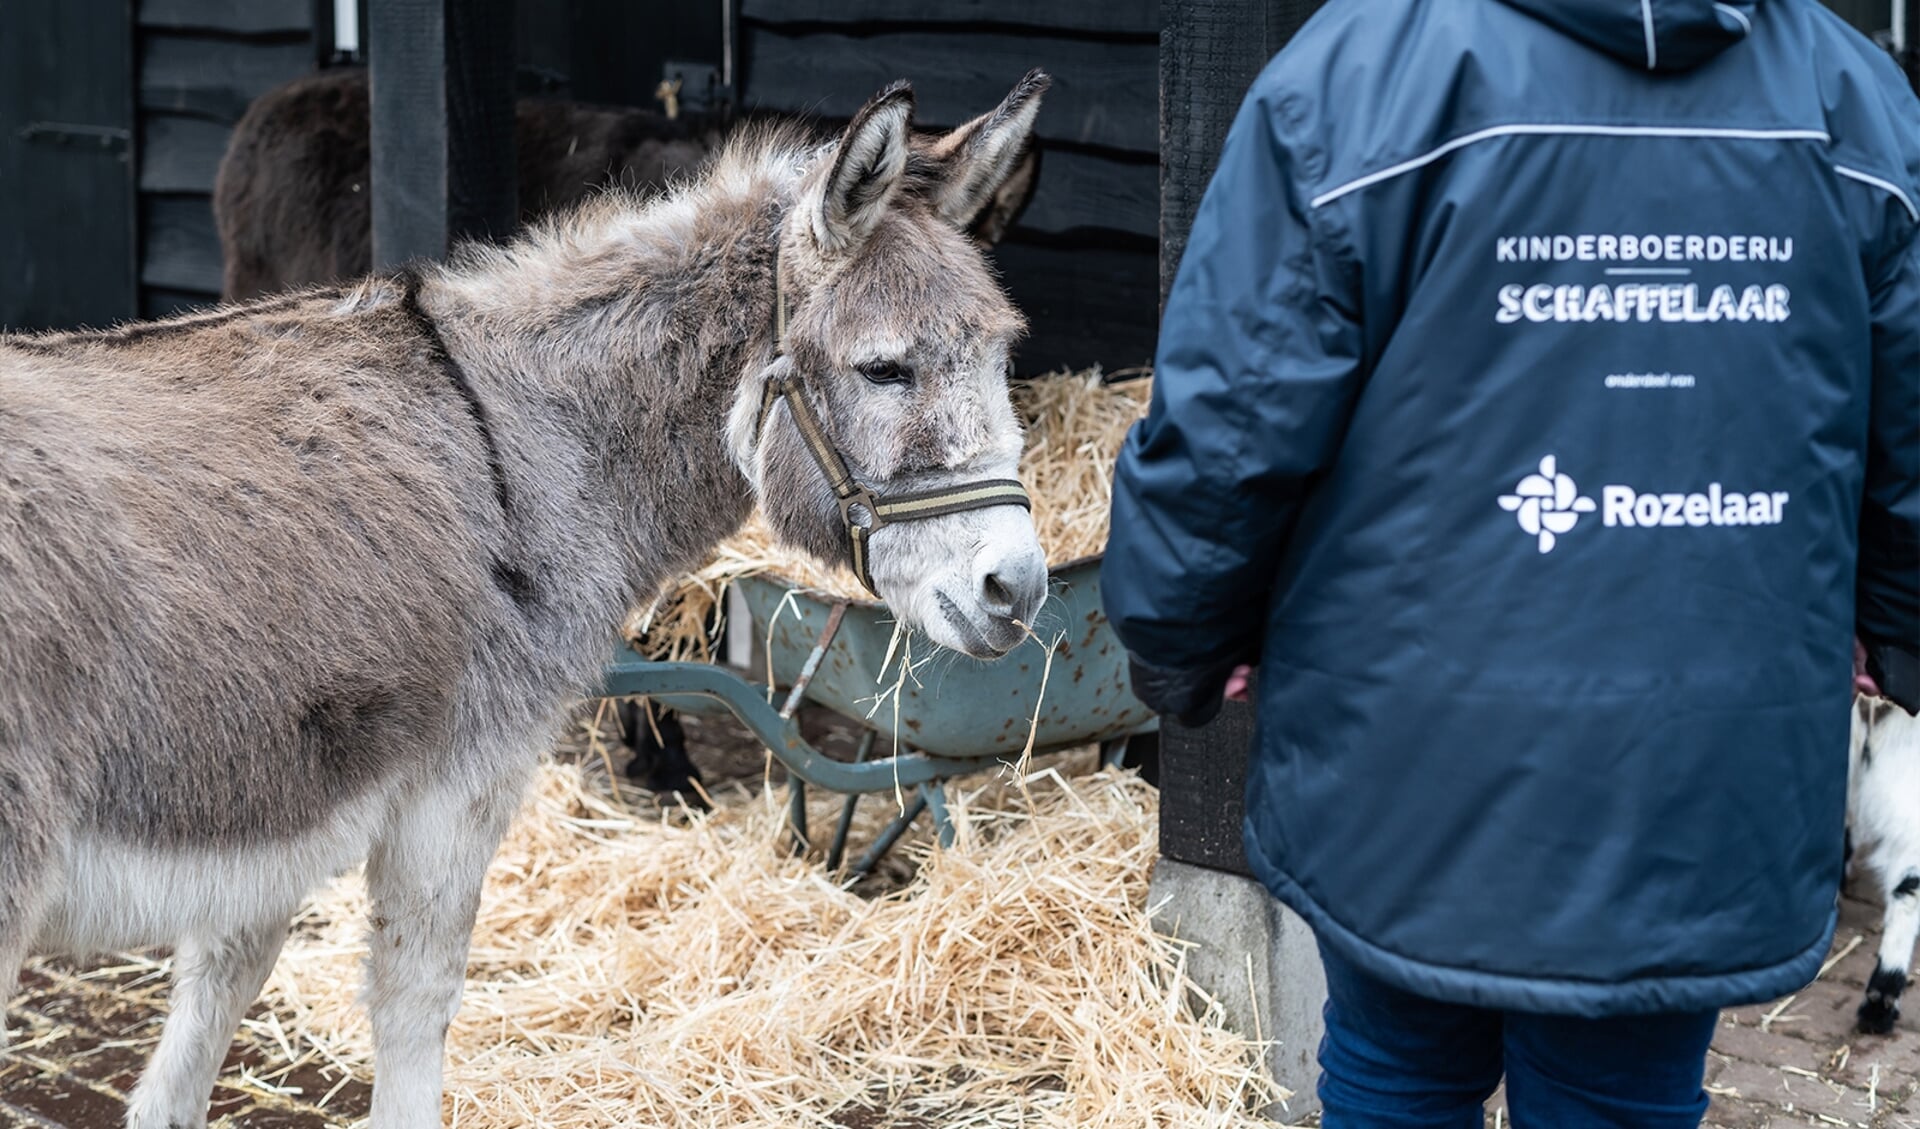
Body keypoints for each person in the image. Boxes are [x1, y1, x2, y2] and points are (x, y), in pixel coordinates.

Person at [1102, 1, 1920, 1124]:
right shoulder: (1851, 96)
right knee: (1622, 1091)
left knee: (1399, 1065)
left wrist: (1184, 633)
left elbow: (1230, 423)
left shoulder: (1358, 69)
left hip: (1403, 748)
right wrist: (1898, 624)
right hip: (1697, 764)